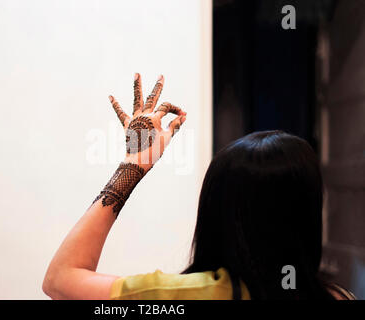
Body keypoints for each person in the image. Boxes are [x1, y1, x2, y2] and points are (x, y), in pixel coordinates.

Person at [42, 74, 355, 300]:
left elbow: (60, 280)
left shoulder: (187, 298)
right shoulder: (340, 296)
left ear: (215, 212)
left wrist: (133, 166)